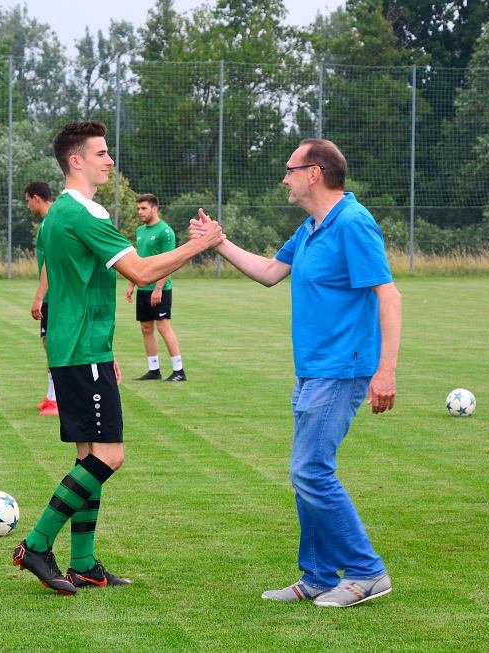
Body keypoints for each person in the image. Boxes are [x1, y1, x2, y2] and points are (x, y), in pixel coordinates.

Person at [12, 120, 223, 595]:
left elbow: (74, 286)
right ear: (76, 160)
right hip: (82, 351)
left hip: (80, 350)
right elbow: (143, 271)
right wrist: (200, 244)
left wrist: (104, 353)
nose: (110, 160)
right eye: (102, 153)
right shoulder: (82, 215)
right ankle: (36, 544)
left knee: (89, 454)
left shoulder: (60, 215)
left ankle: (83, 562)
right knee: (109, 455)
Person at [191, 138, 401, 607]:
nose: (283, 177)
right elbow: (269, 271)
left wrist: (385, 371)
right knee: (308, 474)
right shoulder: (310, 228)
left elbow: (389, 297)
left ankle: (367, 572)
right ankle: (319, 576)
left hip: (342, 369)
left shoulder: (352, 223)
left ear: (314, 173)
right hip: (311, 370)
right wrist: (218, 242)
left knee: (310, 472)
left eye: (289, 169)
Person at [125, 194, 187, 382]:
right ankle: (154, 370)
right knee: (146, 328)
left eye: (143, 208)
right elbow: (139, 261)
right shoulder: (140, 231)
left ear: (154, 209)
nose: (140, 212)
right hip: (143, 287)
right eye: (138, 209)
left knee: (163, 326)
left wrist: (158, 288)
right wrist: (131, 283)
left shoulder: (165, 232)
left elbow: (169, 262)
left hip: (160, 288)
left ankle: (179, 370)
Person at [25, 181, 58, 416]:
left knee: (55, 345)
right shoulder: (49, 221)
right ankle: (51, 395)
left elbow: (51, 262)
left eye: (28, 200)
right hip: (52, 295)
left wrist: (39, 297)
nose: (28, 206)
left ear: (36, 198)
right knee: (48, 343)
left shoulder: (52, 222)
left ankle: (58, 400)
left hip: (55, 295)